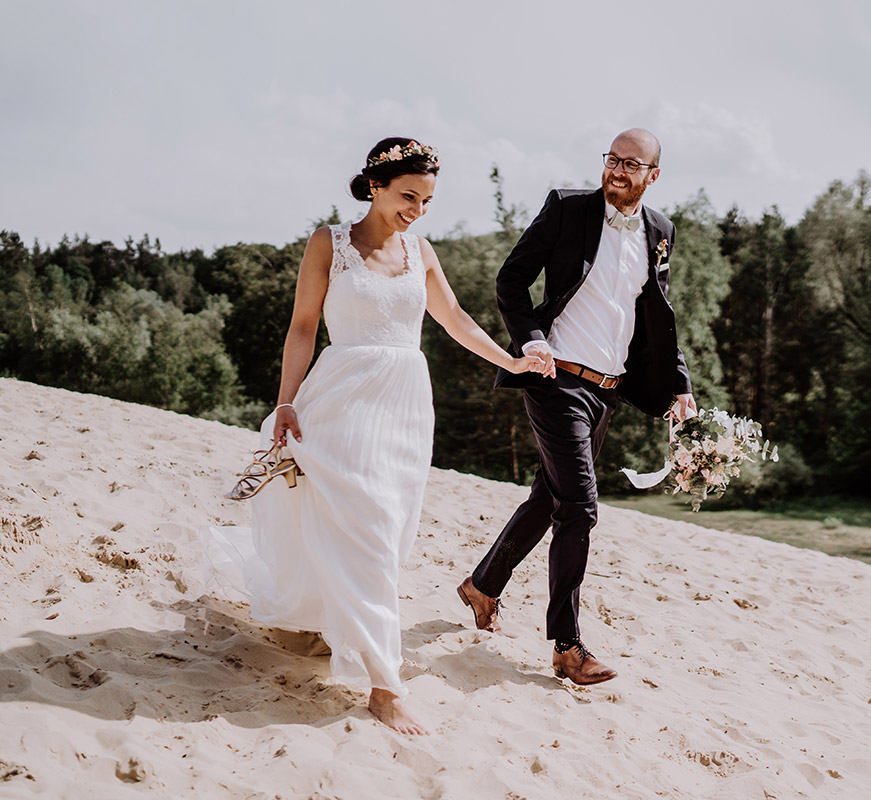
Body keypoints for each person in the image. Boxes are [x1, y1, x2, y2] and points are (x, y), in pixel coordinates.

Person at [209, 138, 549, 734]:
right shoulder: (328, 243)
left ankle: (331, 621)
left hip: (405, 406)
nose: (417, 209)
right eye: (408, 195)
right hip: (340, 398)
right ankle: (384, 686)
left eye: (428, 200)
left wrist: (512, 361)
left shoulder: (421, 251)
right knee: (364, 526)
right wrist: (285, 402)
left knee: (387, 534)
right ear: (374, 184)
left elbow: (455, 320)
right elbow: (302, 327)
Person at [458, 129, 695, 685]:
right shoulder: (567, 208)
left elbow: (658, 313)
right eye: (612, 159)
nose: (617, 170)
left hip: (608, 389)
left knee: (550, 499)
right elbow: (512, 279)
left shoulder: (660, 231)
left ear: (652, 175)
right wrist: (531, 341)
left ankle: (482, 584)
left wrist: (678, 383)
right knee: (581, 508)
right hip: (555, 378)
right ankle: (568, 646)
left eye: (631, 164)